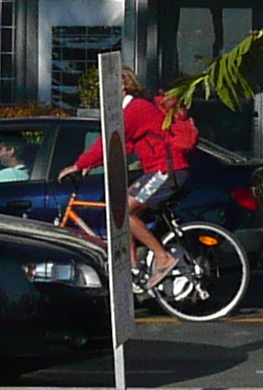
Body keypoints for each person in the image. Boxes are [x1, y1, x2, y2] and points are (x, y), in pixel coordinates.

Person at [65, 85, 189, 278]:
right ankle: (131, 271)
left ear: (121, 87)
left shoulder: (136, 109)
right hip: (158, 170)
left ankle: (163, 257)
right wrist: (93, 163)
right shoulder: (133, 109)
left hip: (166, 170)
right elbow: (124, 146)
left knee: (122, 210)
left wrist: (79, 165)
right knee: (118, 209)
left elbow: (110, 141)